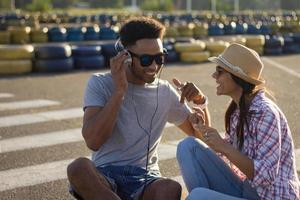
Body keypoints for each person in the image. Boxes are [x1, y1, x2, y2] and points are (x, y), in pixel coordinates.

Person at [67, 17, 210, 200]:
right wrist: (119, 91)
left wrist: (200, 104)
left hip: (146, 178)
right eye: (145, 59)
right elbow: (93, 141)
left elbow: (202, 140)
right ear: (125, 56)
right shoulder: (100, 83)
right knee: (78, 168)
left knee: (170, 188)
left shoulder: (164, 91)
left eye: (159, 58)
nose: (154, 66)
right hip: (105, 176)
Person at [177, 43, 300, 200]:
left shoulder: (266, 113)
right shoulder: (237, 110)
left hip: (269, 197)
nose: (214, 76)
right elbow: (225, 155)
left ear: (238, 77)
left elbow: (266, 176)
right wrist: (202, 129)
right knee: (187, 146)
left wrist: (224, 147)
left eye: (219, 71)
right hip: (247, 191)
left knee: (198, 196)